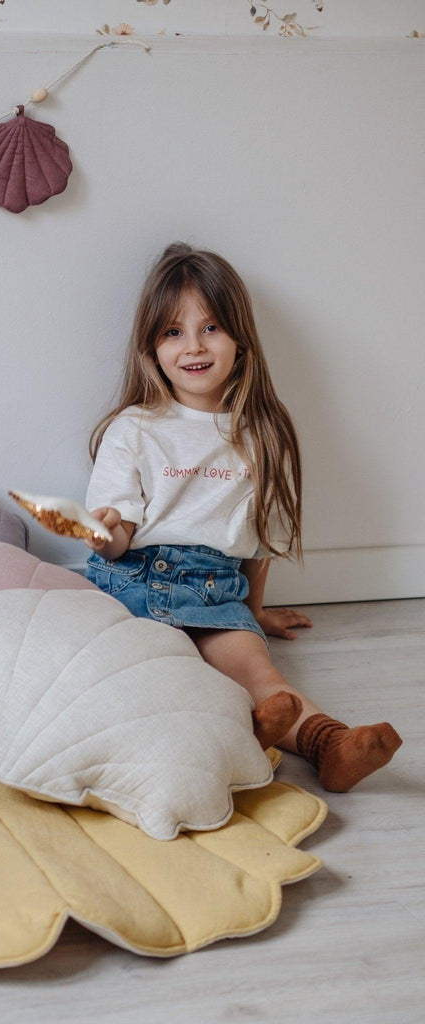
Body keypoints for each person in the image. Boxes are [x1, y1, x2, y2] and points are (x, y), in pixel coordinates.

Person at [85, 242, 401, 792]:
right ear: (151, 348)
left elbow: (257, 543)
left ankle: (331, 744)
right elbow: (115, 542)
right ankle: (237, 735)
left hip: (216, 590)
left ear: (239, 339)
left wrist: (254, 615)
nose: (194, 347)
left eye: (210, 328)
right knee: (162, 682)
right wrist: (106, 532)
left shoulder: (262, 433)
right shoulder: (135, 427)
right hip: (136, 581)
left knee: (262, 676)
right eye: (173, 332)